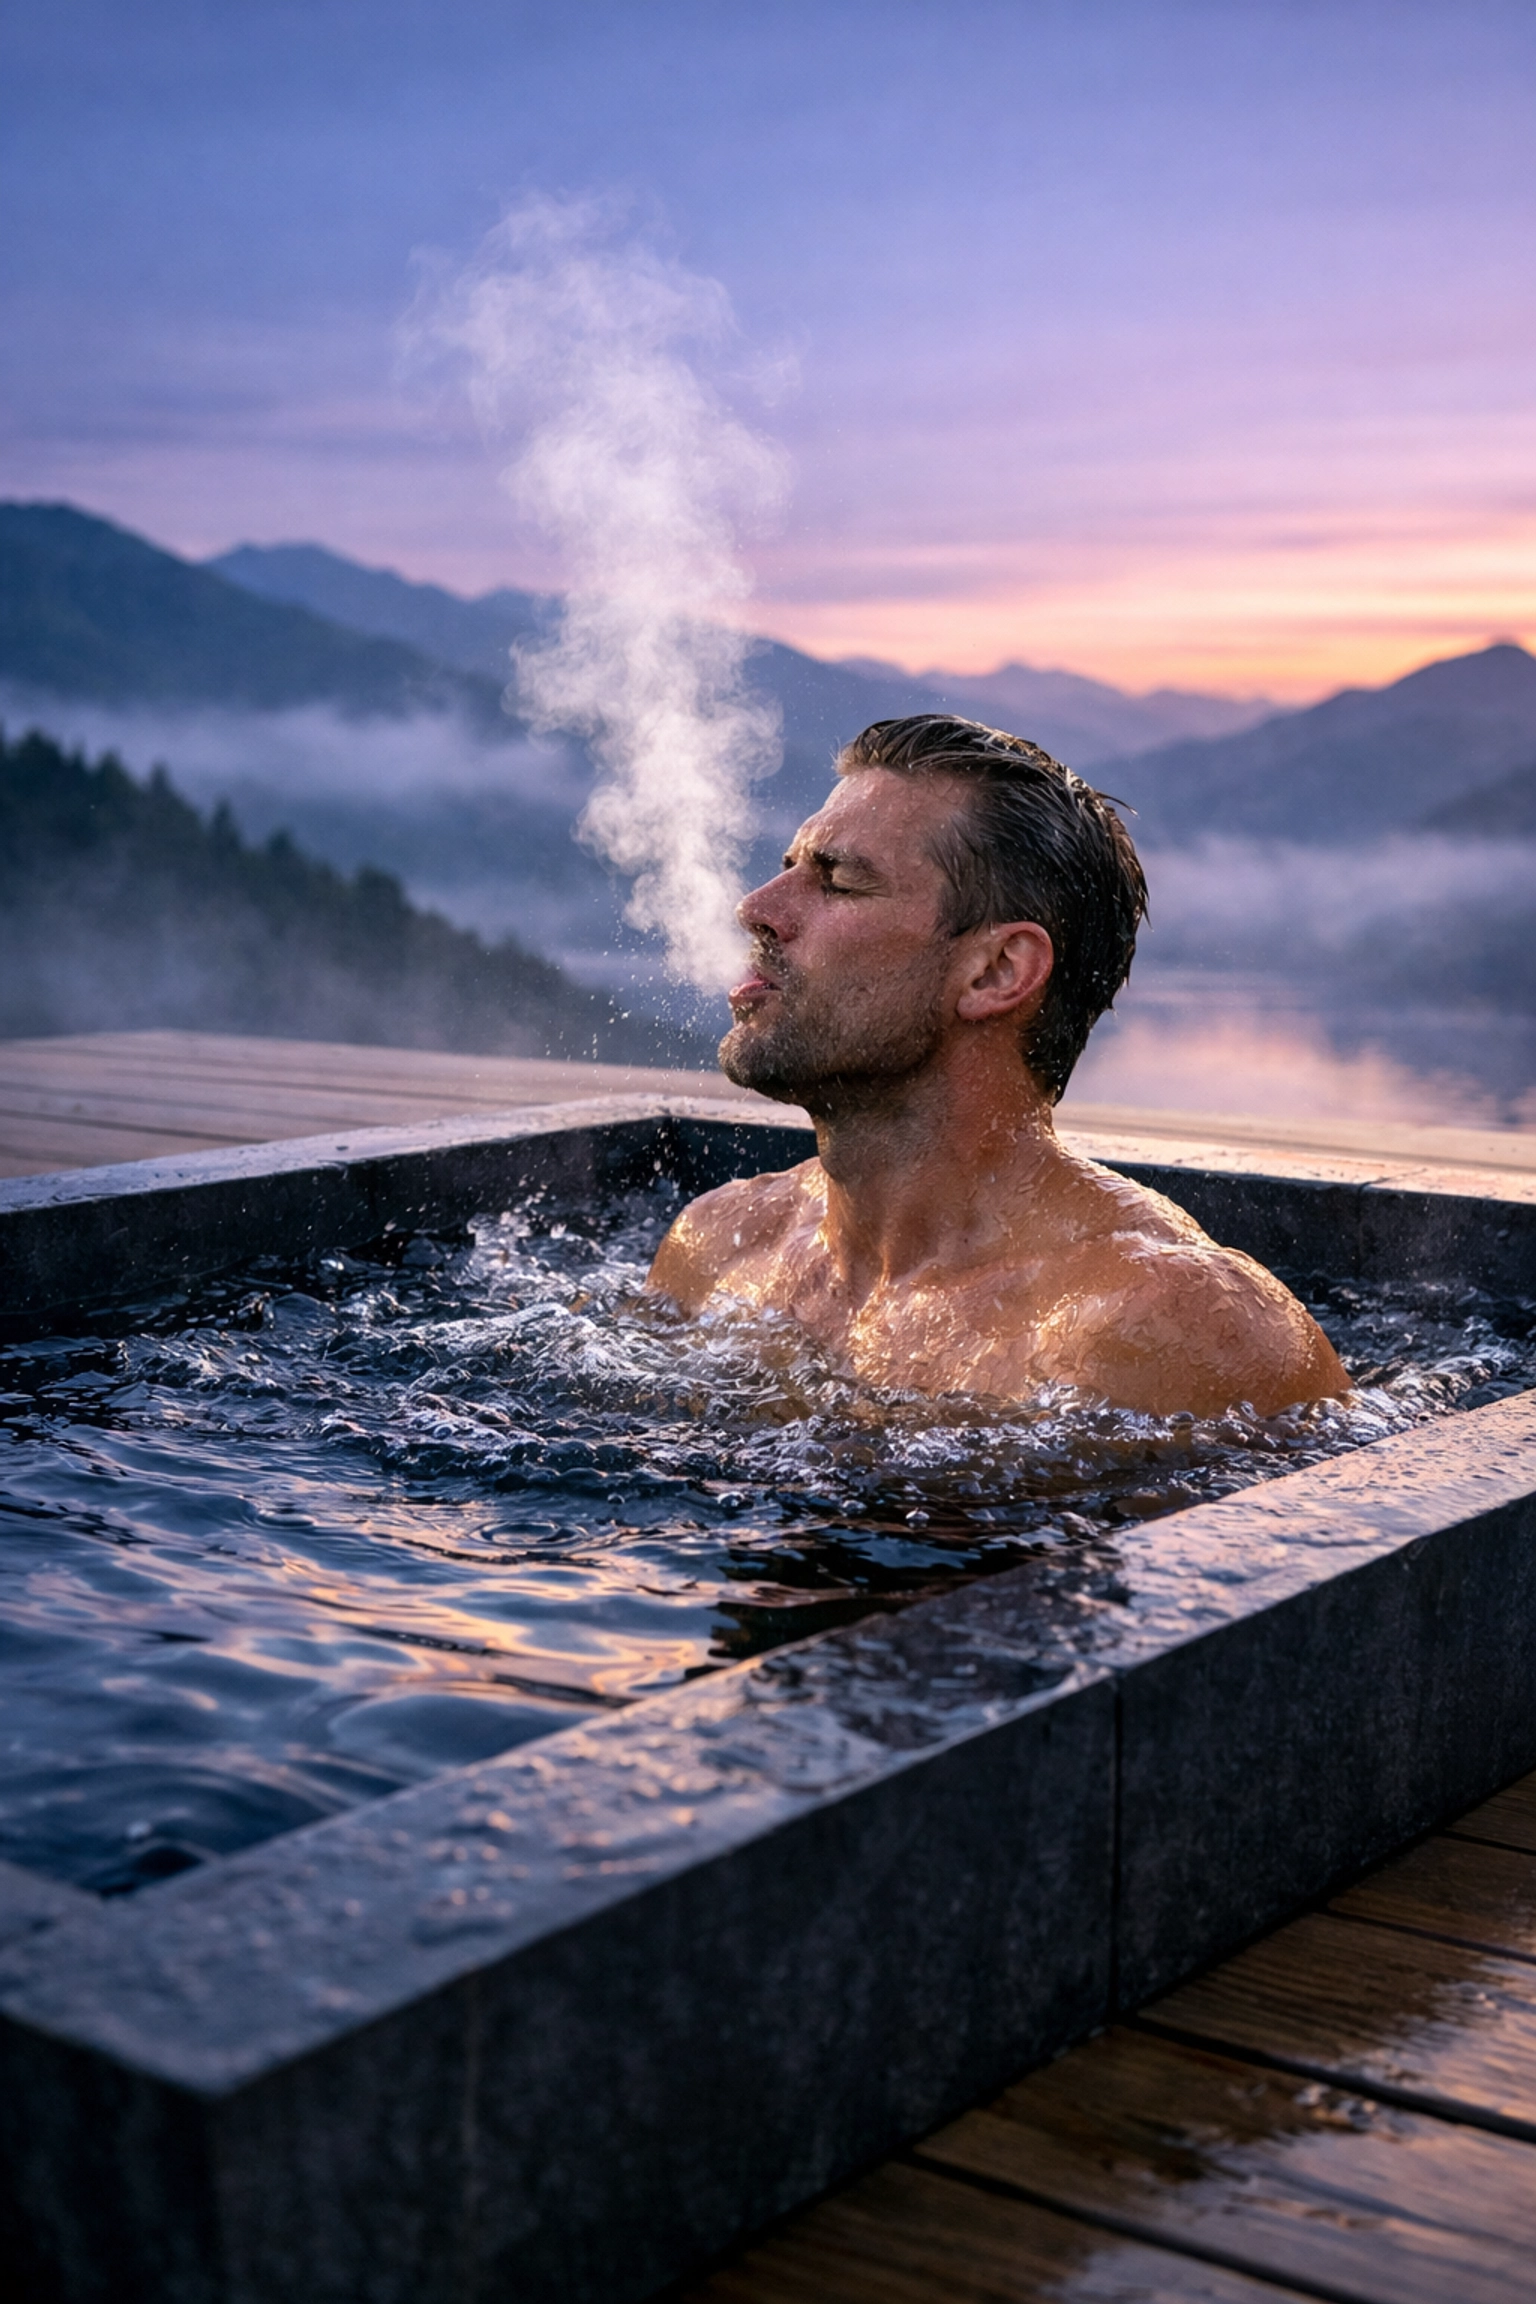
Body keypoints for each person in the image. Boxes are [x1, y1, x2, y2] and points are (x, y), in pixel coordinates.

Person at [647, 715, 1347, 1417]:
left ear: (996, 971)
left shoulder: (1157, 1324)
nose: (756, 908)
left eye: (840, 883)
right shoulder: (720, 1248)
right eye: (788, 867)